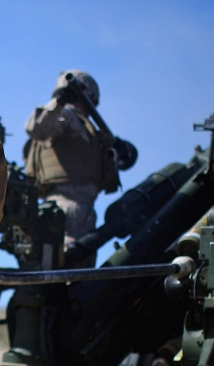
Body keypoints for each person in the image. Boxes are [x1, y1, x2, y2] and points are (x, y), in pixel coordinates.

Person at [24, 70, 137, 267]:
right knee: (64, 268)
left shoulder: (92, 129)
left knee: (79, 273)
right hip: (63, 209)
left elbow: (119, 162)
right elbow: (36, 127)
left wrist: (120, 149)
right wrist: (58, 104)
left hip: (83, 210)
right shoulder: (66, 116)